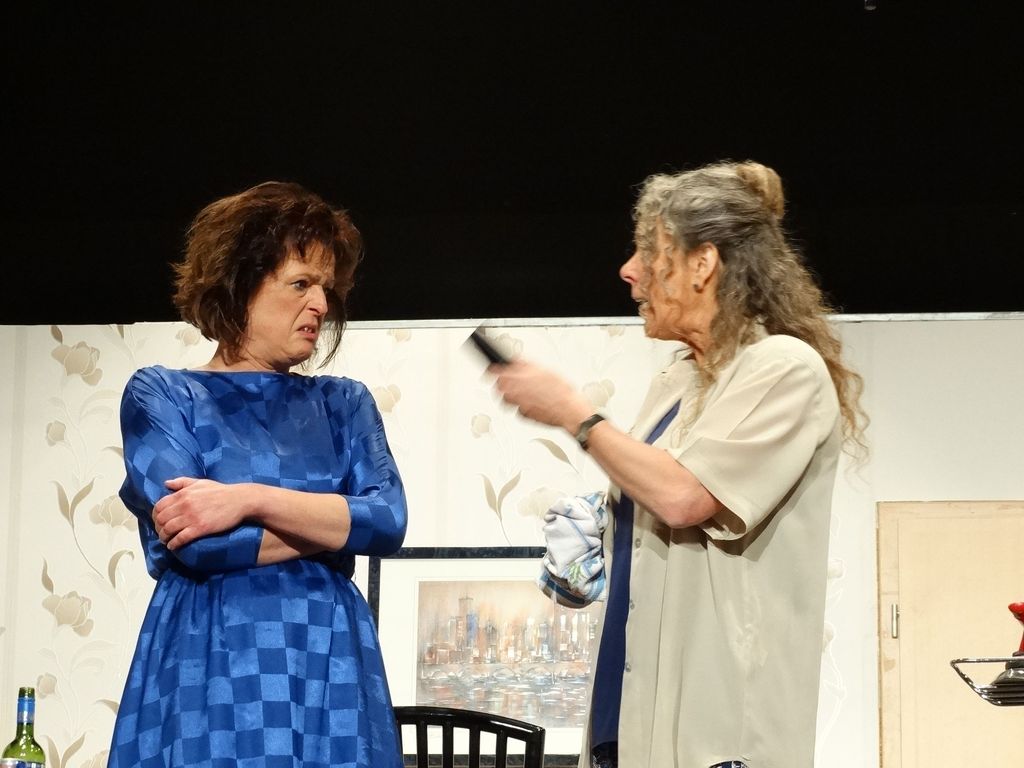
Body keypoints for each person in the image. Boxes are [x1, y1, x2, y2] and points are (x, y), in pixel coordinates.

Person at [491, 161, 865, 768]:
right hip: (629, 720)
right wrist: (591, 538)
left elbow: (685, 498)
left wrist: (574, 415)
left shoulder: (783, 368)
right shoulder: (677, 383)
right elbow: (651, 517)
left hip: (718, 732)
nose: (629, 270)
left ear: (702, 263)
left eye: (648, 252)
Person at [109, 181, 408, 767]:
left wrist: (247, 499)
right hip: (212, 658)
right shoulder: (163, 395)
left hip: (329, 659)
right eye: (301, 284)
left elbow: (388, 521)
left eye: (327, 288)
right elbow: (199, 543)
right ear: (239, 284)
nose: (321, 305)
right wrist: (333, 526)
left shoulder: (344, 403)